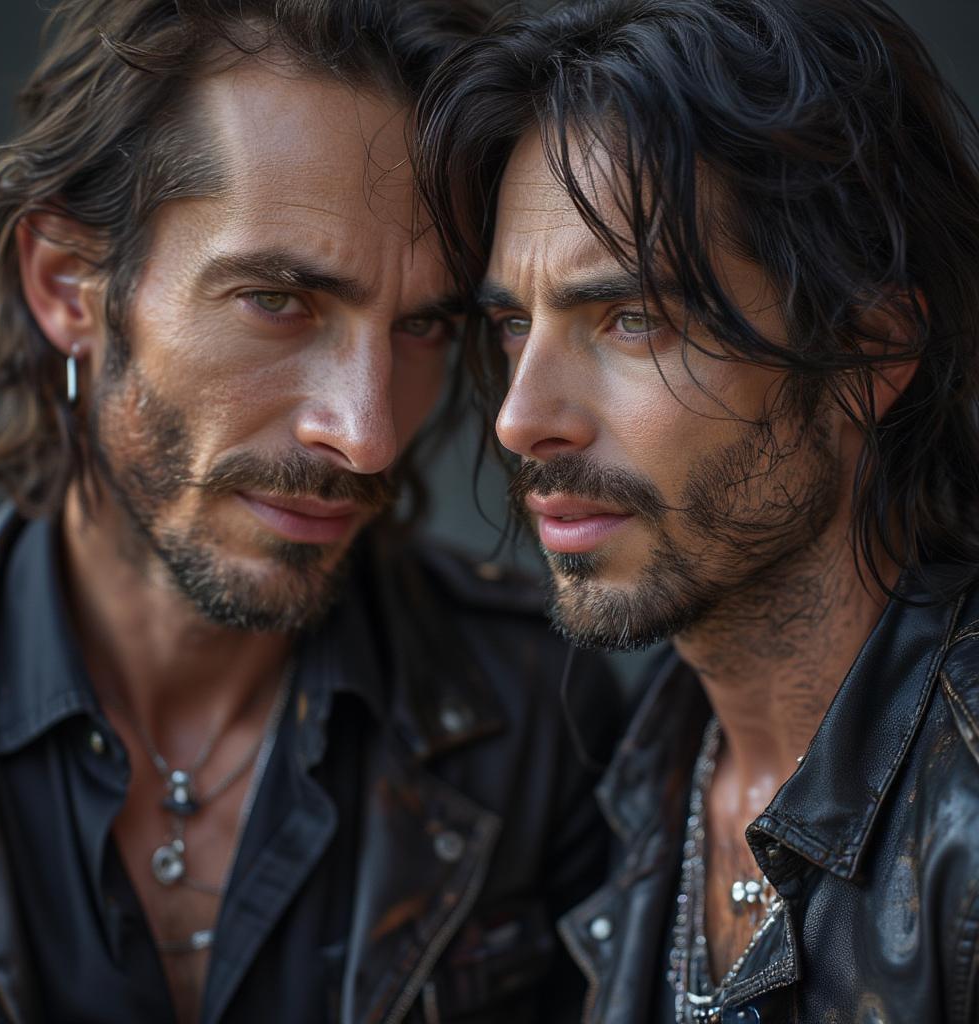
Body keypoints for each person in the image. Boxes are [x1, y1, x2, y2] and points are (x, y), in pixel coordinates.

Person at [0, 2, 618, 1021]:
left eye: (424, 327)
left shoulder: (538, 713)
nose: (366, 435)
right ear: (68, 284)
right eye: (279, 300)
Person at [416, 0, 979, 1020]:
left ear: (869, 352)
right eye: (510, 324)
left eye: (631, 319)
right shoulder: (640, 771)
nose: (519, 418)